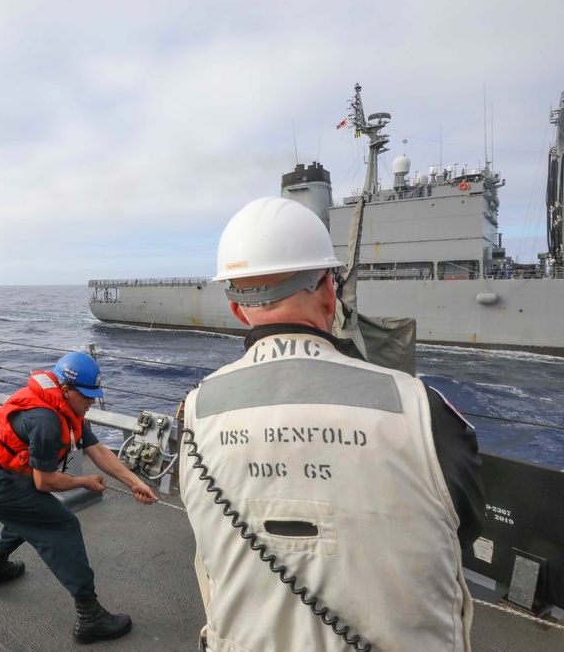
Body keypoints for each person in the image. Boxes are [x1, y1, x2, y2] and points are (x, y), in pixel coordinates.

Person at [180, 197, 485, 652]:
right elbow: (465, 526)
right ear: (329, 290)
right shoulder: (424, 411)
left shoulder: (194, 413)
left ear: (237, 309)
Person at [0, 350, 158, 645]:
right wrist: (84, 482)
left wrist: (135, 483)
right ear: (66, 390)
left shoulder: (66, 406)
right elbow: (45, 482)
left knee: (30, 514)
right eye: (86, 395)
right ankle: (90, 616)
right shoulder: (46, 420)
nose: (92, 401)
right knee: (62, 525)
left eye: (95, 394)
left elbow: (97, 450)